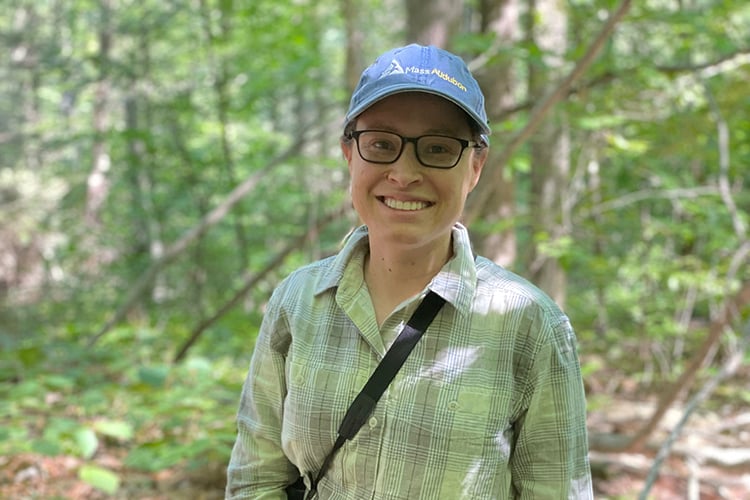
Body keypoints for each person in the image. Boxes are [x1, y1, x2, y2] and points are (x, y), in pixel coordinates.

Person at [226, 43, 593, 499]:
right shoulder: (297, 302)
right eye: (381, 144)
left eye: (438, 149)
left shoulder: (531, 324)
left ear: (475, 167)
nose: (404, 172)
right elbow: (256, 480)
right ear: (349, 154)